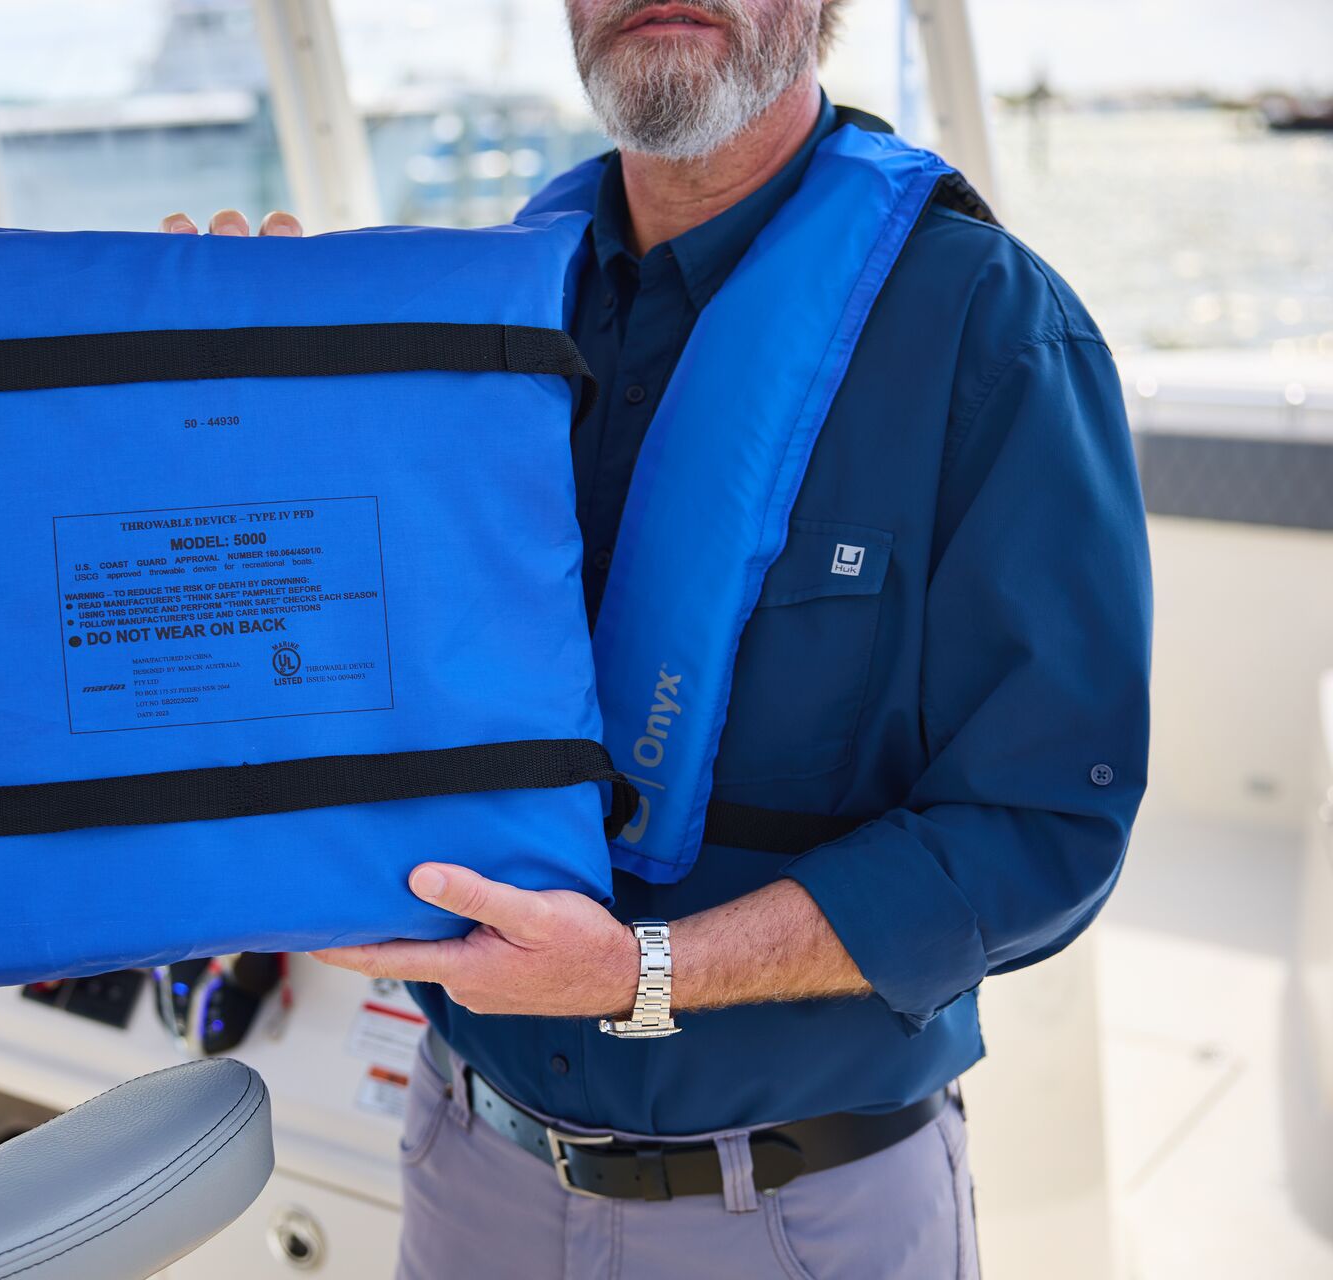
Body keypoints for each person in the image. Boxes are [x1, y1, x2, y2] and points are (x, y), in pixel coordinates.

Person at [164, 0, 1150, 1274]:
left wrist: (646, 969)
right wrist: (210, 427)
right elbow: (323, 676)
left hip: (800, 1214)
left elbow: (1040, 829)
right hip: (469, 1171)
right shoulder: (453, 328)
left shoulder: (994, 335)